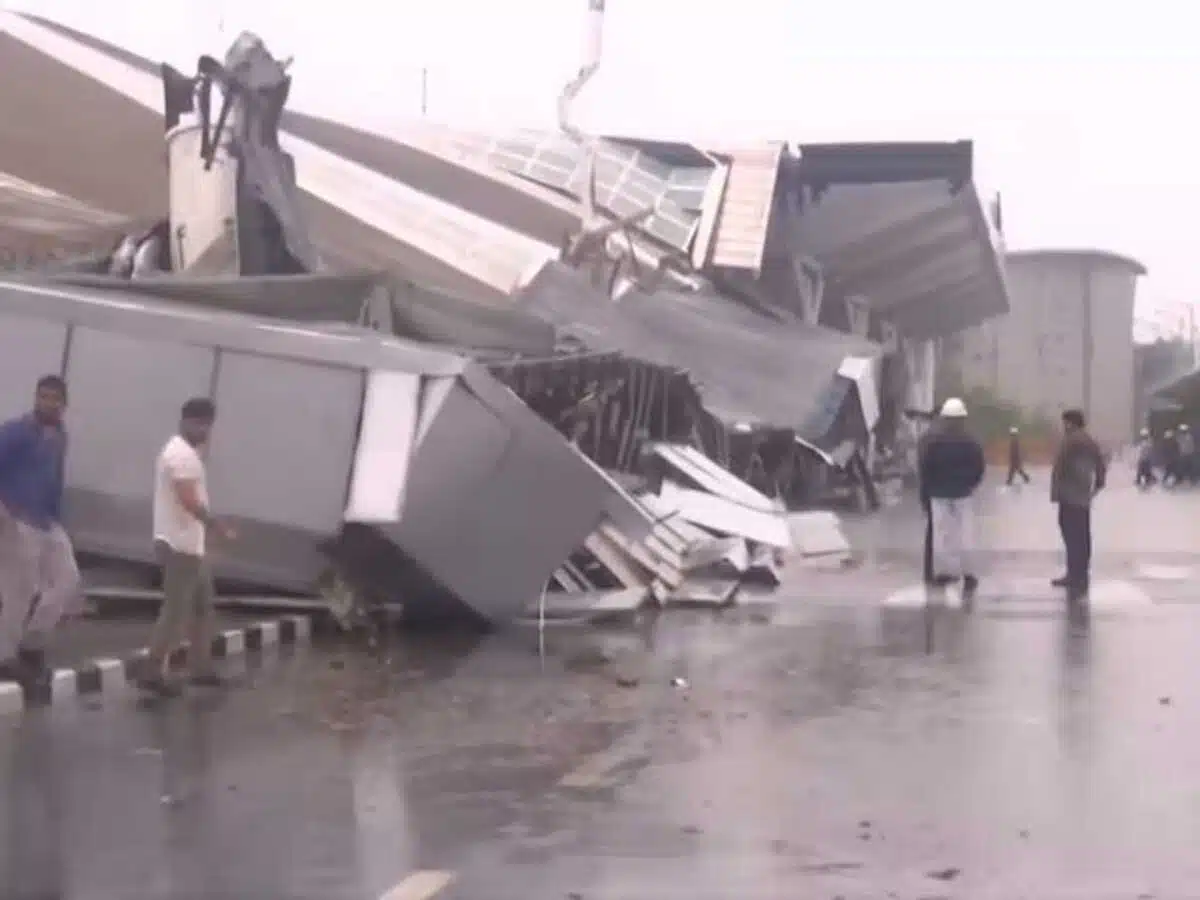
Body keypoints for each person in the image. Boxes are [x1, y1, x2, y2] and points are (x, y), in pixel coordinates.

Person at [139, 398, 234, 696]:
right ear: (184, 421)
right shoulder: (181, 455)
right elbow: (188, 499)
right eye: (198, 422)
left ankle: (200, 667)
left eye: (206, 423)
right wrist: (216, 526)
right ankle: (152, 671)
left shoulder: (185, 452)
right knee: (176, 610)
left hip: (189, 545)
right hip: (179, 544)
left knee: (202, 605)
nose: (202, 428)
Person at [0, 375, 82, 685]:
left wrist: (58, 517)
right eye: (43, 396)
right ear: (35, 398)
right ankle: (4, 657)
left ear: (63, 404)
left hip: (47, 521)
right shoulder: (16, 432)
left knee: (67, 580)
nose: (47, 402)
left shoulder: (60, 435)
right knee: (18, 591)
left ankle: (32, 644)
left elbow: (55, 478)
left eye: (54, 398)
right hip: (15, 519)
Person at [918, 397, 986, 593]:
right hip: (962, 493)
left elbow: (925, 468)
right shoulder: (971, 440)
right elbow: (979, 467)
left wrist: (927, 491)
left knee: (942, 535)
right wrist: (969, 485)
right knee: (966, 534)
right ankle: (969, 574)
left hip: (939, 493)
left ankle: (946, 573)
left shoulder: (934, 440)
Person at [1050, 408, 1106, 598]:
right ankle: (1081, 574)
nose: (1063, 426)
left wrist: (1056, 493)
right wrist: (1098, 484)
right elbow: (1100, 463)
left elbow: (1060, 467)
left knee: (1071, 534)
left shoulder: (1071, 440)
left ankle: (1073, 575)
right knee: (1082, 535)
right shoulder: (1089, 440)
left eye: (1065, 422)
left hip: (1069, 495)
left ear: (1071, 422)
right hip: (1083, 495)